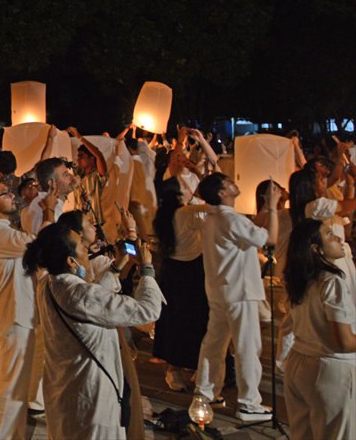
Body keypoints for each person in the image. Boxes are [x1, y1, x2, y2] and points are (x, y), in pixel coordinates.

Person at [25, 223, 162, 439]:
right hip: (91, 398)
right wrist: (147, 270)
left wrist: (116, 267)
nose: (87, 250)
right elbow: (148, 310)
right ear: (70, 261)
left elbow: (91, 305)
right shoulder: (78, 293)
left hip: (64, 392)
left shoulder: (47, 284)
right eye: (81, 246)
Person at [0, 173, 57, 439]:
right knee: (10, 390)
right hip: (13, 316)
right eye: (5, 193)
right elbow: (38, 245)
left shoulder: (5, 232)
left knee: (17, 390)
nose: (12, 195)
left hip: (21, 314)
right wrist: (49, 212)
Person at [192, 172, 276, 423]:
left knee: (214, 344)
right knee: (247, 347)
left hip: (220, 291)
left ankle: (205, 393)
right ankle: (249, 402)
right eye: (229, 182)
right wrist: (272, 206)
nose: (234, 184)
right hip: (240, 292)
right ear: (221, 193)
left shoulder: (212, 218)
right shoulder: (232, 219)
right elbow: (268, 239)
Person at [282, 219, 356, 439]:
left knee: (302, 433)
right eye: (330, 235)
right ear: (316, 248)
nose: (339, 239)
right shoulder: (331, 282)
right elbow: (343, 341)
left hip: (298, 362)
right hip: (330, 369)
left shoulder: (300, 280)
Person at [151, 178, 210, 393]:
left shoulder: (163, 215)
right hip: (191, 271)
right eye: (185, 187)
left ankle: (174, 369)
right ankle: (191, 367)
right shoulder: (186, 212)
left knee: (174, 320)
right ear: (177, 194)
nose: (189, 189)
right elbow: (214, 208)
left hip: (172, 271)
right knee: (196, 318)